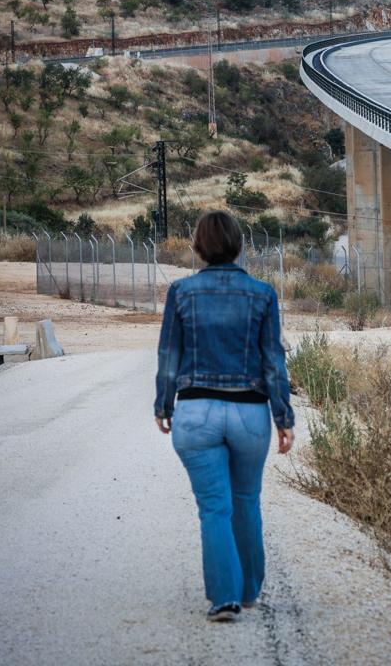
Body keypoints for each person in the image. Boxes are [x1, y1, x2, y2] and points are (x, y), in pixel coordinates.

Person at [154, 210, 294, 622]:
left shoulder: (181, 293)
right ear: (238, 244)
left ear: (197, 246)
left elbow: (168, 357)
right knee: (246, 500)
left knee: (214, 507)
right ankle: (249, 590)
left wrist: (164, 405)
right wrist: (283, 416)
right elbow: (273, 362)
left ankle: (225, 599)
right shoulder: (262, 294)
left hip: (196, 412)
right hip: (250, 413)